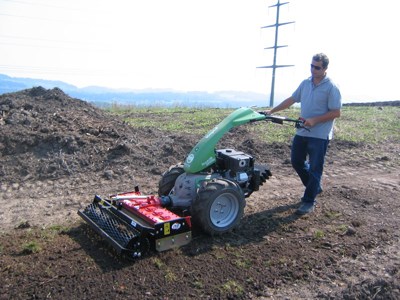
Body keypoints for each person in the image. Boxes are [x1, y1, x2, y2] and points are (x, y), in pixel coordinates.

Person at [266, 53, 342, 215]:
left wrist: (315, 120)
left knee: (315, 168)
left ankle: (309, 201)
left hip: (319, 135)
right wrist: (272, 110)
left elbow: (336, 112)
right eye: (311, 66)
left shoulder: (331, 88)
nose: (313, 69)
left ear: (325, 69)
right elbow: (292, 99)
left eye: (317, 67)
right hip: (302, 131)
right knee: (296, 161)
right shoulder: (305, 83)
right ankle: (314, 187)